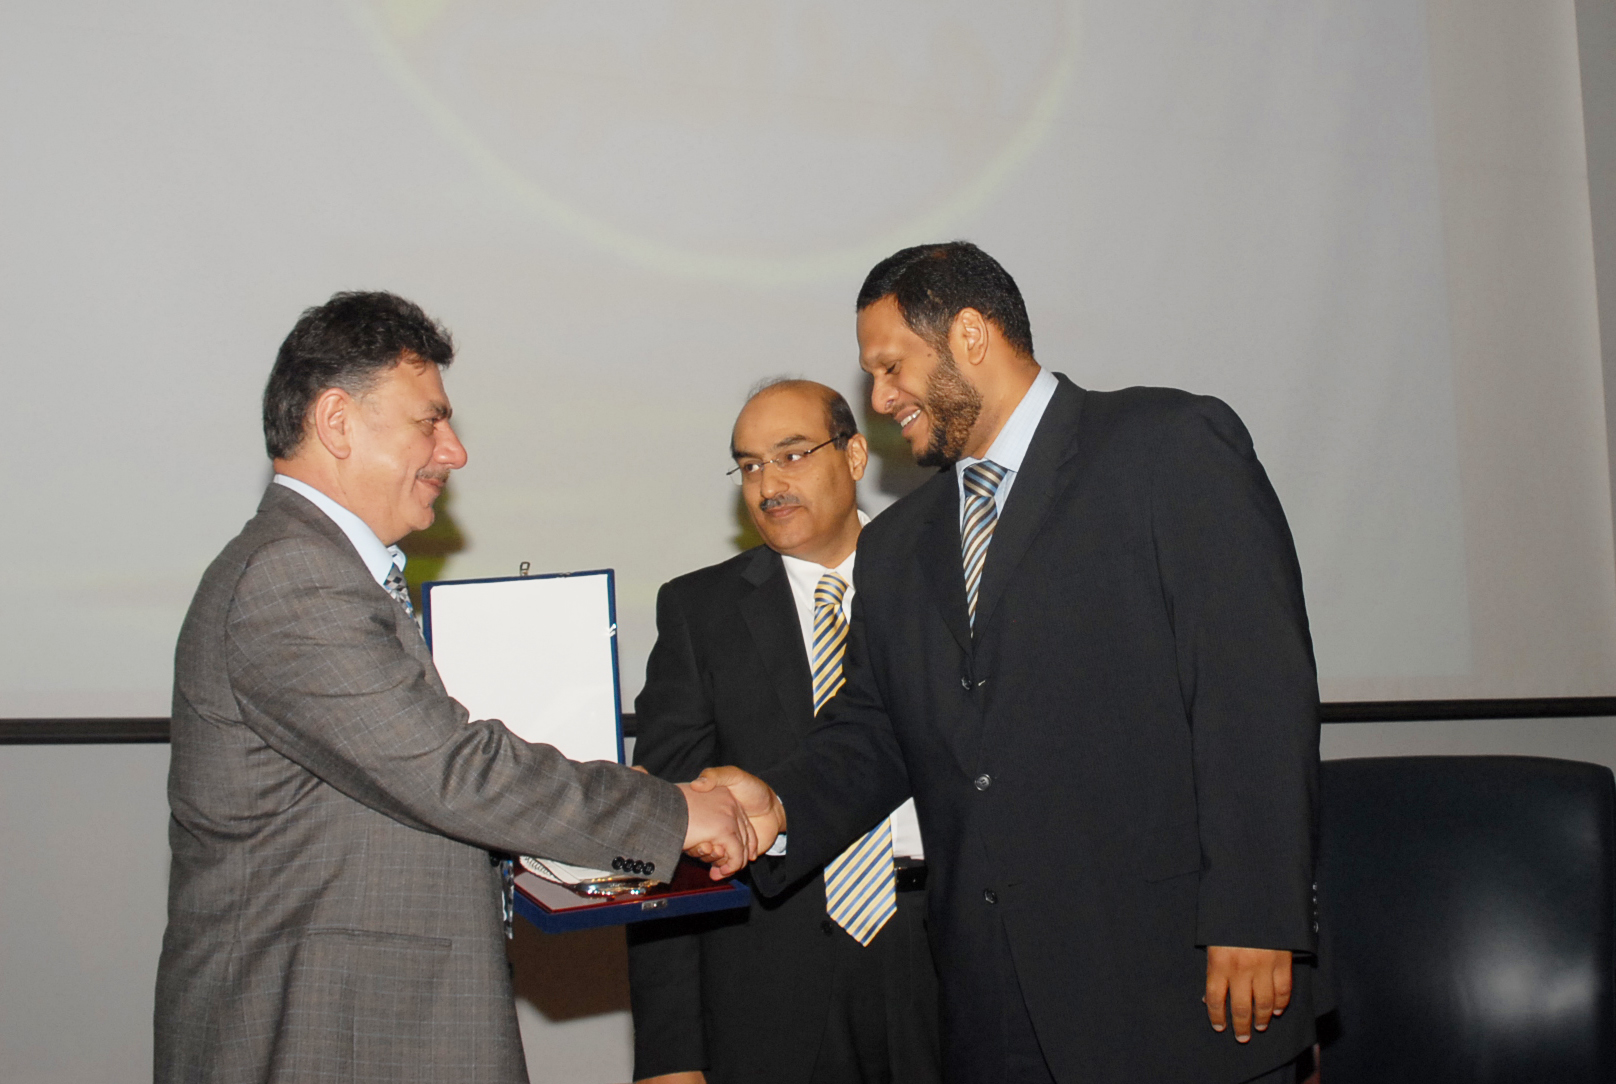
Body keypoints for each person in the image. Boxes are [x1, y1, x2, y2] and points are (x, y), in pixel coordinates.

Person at [695, 243, 1323, 1084]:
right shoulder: (898, 545)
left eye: (890, 367)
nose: (879, 400)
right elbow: (875, 731)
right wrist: (776, 803)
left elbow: (1252, 690)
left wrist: (1258, 913)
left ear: (970, 335)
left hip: (1174, 979)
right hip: (991, 1007)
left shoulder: (1166, 445)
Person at [154, 291, 756, 1084]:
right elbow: (453, 773)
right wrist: (672, 813)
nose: (455, 452)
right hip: (321, 1040)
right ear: (337, 422)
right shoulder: (292, 576)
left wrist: (605, 811)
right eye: (429, 421)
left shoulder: (321, 570)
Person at [627, 380, 943, 1084]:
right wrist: (670, 1057)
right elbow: (667, 837)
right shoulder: (699, 612)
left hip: (943, 959)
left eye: (792, 456)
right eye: (749, 466)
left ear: (854, 455)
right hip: (769, 986)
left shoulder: (939, 584)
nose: (768, 485)